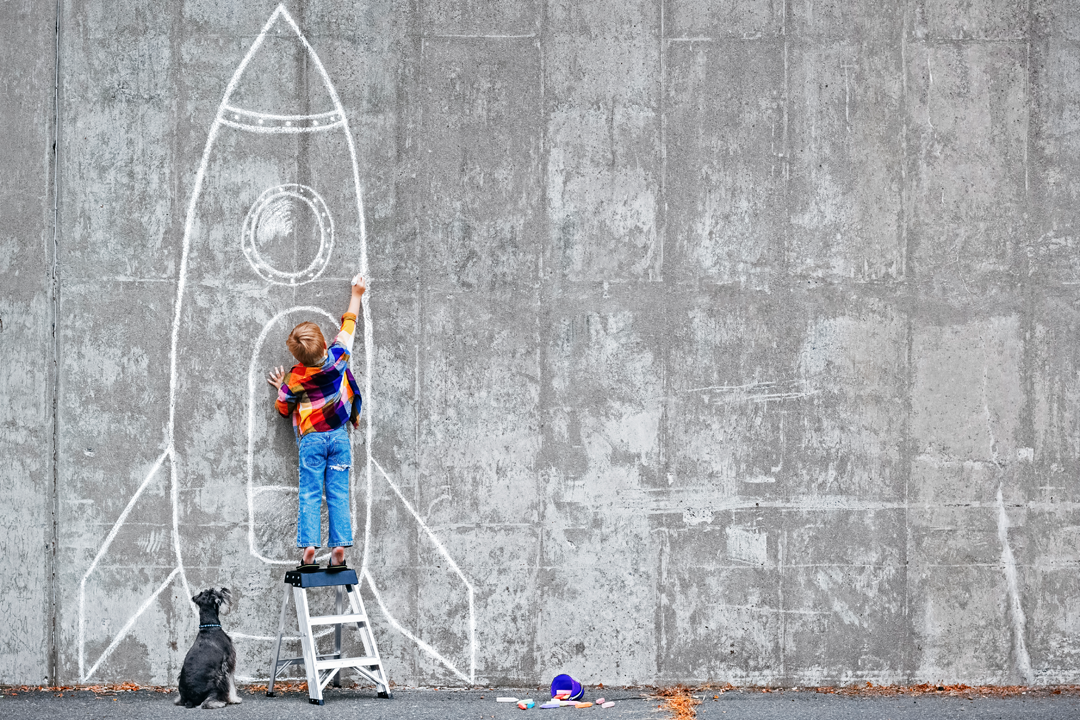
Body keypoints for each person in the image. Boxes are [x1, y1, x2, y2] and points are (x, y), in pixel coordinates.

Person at [266, 276, 365, 572]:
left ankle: (310, 548)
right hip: (338, 439)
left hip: (311, 441)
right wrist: (356, 293)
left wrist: (283, 384)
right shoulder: (338, 357)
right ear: (324, 343)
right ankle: (338, 549)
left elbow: (283, 407)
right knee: (338, 494)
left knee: (310, 493)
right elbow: (350, 325)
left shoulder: (296, 377)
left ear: (298, 357)